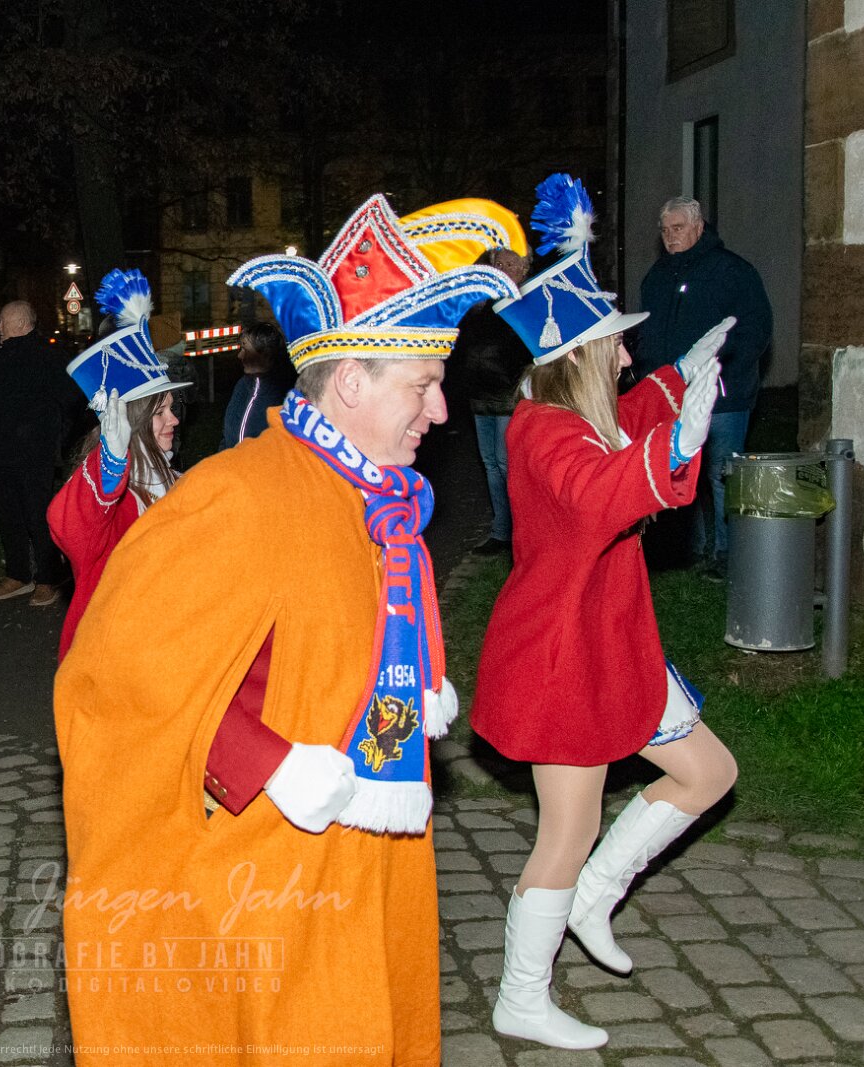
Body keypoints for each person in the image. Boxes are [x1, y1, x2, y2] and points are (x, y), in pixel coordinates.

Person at [55, 193, 526, 1065]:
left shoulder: (379, 498)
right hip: (272, 880)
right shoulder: (237, 496)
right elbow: (118, 672)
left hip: (369, 869)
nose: (440, 412)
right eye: (423, 386)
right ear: (351, 383)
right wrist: (267, 763)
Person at [474, 175, 739, 1050]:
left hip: (613, 643)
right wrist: (679, 445)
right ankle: (521, 995)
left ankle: (595, 895)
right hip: (564, 656)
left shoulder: (576, 414)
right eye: (617, 344)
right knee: (569, 826)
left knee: (708, 772)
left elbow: (626, 417)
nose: (627, 356)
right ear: (582, 354)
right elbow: (597, 492)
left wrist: (680, 375)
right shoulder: (542, 430)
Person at [47, 270, 189, 659]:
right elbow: (70, 528)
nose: (174, 420)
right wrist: (110, 462)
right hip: (120, 657)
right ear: (134, 421)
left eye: (172, 409)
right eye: (161, 412)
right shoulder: (117, 497)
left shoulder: (176, 480)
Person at [633, 195, 772, 577]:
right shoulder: (657, 277)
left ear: (698, 227)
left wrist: (721, 374)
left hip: (722, 396)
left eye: (677, 228)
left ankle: (728, 554)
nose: (669, 236)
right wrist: (649, 372)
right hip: (672, 394)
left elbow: (756, 329)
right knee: (680, 468)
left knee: (723, 474)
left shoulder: (732, 272)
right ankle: (688, 548)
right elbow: (647, 332)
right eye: (664, 230)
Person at [0, 300, 76, 607]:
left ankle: (49, 579)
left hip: (34, 455)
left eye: (3, 321)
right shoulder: (1, 356)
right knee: (6, 515)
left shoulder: (48, 356)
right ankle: (18, 575)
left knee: (38, 516)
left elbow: (73, 401)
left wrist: (54, 440)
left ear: (21, 324)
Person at [449, 247, 533, 555]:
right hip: (479, 394)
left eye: (511, 263)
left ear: (524, 268)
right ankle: (502, 531)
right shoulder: (481, 303)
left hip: (508, 395)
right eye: (499, 262)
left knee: (506, 464)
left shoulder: (524, 303)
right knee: (491, 465)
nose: (503, 268)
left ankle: (517, 530)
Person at [219, 320, 294, 450]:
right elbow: (227, 434)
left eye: (245, 349)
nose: (239, 355)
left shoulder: (284, 390)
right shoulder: (244, 384)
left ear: (266, 354)